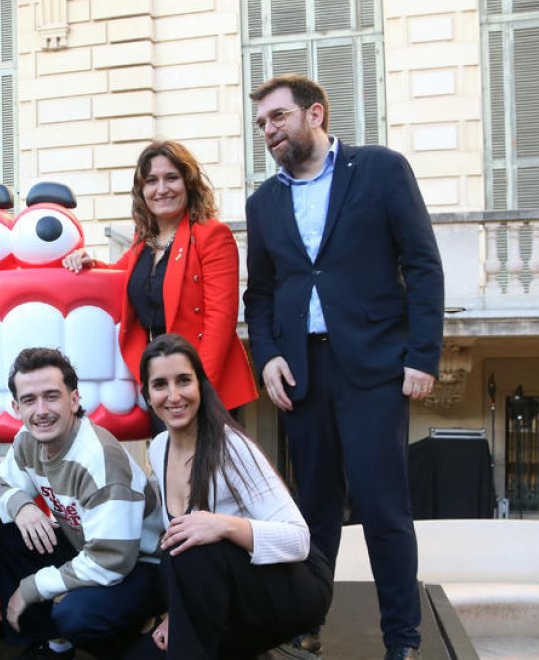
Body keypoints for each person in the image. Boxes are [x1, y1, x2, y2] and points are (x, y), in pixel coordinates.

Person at [244, 74, 444, 660]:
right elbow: (260, 295)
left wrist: (422, 355)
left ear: (315, 113)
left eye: (278, 117)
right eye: (261, 124)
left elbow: (423, 265)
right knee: (314, 511)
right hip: (303, 374)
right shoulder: (264, 202)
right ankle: (308, 623)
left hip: (376, 367)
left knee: (384, 508)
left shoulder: (381, 170)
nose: (269, 131)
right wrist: (270, 356)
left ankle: (402, 641)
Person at [127, 334, 331, 659]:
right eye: (160, 385)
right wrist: (176, 616)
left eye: (184, 381)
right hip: (226, 589)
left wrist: (224, 525)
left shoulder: (230, 447)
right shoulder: (161, 446)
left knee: (191, 551)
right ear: (147, 395)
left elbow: (298, 540)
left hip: (295, 585)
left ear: (201, 385)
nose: (174, 395)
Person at [0, 347, 165, 660]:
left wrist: (33, 587)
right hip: (88, 547)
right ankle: (50, 643)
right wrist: (21, 505)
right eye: (29, 400)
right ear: (16, 407)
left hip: (143, 564)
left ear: (74, 399)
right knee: (6, 528)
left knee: (76, 614)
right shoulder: (28, 440)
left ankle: (141, 641)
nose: (41, 410)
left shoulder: (99, 458)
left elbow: (112, 559)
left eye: (52, 396)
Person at [62, 140, 258, 415]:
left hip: (202, 385)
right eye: (151, 181)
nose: (162, 189)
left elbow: (220, 322)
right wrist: (86, 262)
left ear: (189, 183)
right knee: (165, 458)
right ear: (141, 191)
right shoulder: (146, 241)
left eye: (171, 178)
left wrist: (197, 388)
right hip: (161, 383)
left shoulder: (211, 235)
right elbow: (120, 274)